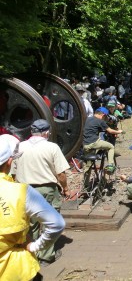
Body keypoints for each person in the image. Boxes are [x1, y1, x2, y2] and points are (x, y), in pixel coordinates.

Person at [0, 136, 65, 279]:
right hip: (14, 269)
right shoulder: (20, 191)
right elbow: (57, 223)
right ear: (9, 161)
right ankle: (46, 256)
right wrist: (35, 246)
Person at [10, 119, 69, 267]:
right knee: (49, 222)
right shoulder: (52, 147)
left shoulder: (20, 146)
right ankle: (46, 256)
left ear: (31, 132)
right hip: (47, 189)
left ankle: (31, 253)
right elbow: (61, 174)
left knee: (30, 224)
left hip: (25, 190)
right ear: (46, 132)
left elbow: (12, 173)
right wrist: (65, 188)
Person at [82, 107, 123, 174]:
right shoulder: (100, 121)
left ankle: (86, 184)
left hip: (85, 145)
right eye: (105, 117)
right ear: (103, 115)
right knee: (110, 147)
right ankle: (110, 165)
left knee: (88, 165)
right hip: (94, 143)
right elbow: (110, 131)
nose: (105, 119)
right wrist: (119, 131)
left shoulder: (87, 119)